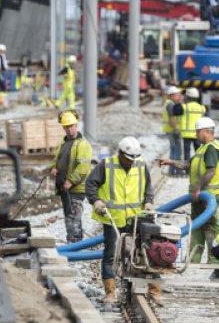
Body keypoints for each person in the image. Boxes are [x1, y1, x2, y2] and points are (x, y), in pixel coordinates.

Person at [85, 137, 156, 306]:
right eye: (129, 158)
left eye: (134, 158)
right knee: (110, 255)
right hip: (113, 219)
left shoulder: (140, 164)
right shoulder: (106, 165)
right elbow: (90, 184)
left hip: (135, 218)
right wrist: (96, 201)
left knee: (142, 252)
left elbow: (148, 187)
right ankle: (110, 293)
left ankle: (154, 289)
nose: (132, 162)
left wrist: (149, 201)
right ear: (121, 153)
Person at [157, 116, 219, 263]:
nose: (195, 135)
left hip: (208, 196)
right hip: (199, 196)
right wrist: (171, 162)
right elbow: (188, 164)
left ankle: (216, 260)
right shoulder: (202, 149)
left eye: (197, 132)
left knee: (211, 227)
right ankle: (193, 259)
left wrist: (198, 187)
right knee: (196, 226)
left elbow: (211, 171)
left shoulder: (211, 149)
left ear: (206, 131)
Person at [50, 111, 93, 244]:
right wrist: (53, 167)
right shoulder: (64, 143)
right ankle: (75, 243)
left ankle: (74, 244)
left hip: (76, 187)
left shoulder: (82, 144)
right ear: (63, 127)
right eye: (67, 126)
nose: (69, 129)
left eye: (72, 126)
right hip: (64, 186)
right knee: (70, 216)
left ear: (76, 125)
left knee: (73, 216)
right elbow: (57, 159)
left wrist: (71, 180)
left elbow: (83, 167)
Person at [173, 87, 206, 162]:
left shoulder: (185, 107)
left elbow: (175, 111)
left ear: (188, 97)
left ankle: (187, 169)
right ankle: (198, 167)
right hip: (197, 134)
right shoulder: (202, 108)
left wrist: (179, 101)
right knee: (198, 153)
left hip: (186, 134)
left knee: (187, 153)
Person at [162, 86, 183, 176]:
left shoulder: (169, 103)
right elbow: (171, 119)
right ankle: (174, 171)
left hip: (171, 130)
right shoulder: (170, 104)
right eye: (177, 95)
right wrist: (175, 129)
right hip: (172, 131)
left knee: (174, 150)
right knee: (176, 151)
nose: (178, 96)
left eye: (179, 94)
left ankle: (173, 170)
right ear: (171, 96)